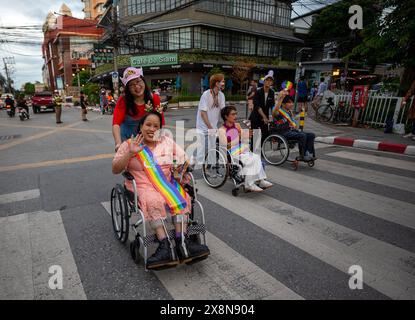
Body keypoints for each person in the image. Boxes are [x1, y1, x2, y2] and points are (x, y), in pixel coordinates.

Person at [112, 111, 210, 270]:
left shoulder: (167, 142)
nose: (152, 129)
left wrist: (181, 167)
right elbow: (115, 169)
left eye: (156, 126)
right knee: (154, 200)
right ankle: (165, 246)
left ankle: (182, 242)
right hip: (143, 185)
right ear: (141, 126)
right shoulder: (129, 144)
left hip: (166, 183)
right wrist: (130, 152)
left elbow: (183, 159)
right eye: (148, 125)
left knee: (183, 196)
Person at [219, 106, 273, 192]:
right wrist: (240, 137)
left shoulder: (237, 125)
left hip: (241, 149)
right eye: (233, 114)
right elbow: (226, 145)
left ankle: (261, 180)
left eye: (236, 114)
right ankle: (249, 184)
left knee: (256, 157)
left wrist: (247, 135)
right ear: (226, 116)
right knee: (250, 160)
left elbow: (243, 139)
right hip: (231, 153)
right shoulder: (222, 130)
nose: (235, 116)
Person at [112, 66, 165, 152]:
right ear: (128, 89)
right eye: (131, 85)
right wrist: (118, 143)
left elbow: (161, 122)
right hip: (127, 140)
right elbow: (116, 124)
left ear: (143, 81)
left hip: (147, 138)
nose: (136, 86)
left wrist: (160, 141)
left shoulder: (154, 98)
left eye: (138, 81)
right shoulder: (123, 100)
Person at [272, 95, 316, 161]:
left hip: (291, 131)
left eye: (292, 102)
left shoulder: (289, 112)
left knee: (311, 135)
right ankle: (302, 155)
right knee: (302, 135)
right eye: (289, 102)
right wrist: (280, 99)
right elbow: (275, 110)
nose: (291, 104)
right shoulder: (279, 112)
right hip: (283, 132)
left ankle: (309, 153)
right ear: (283, 104)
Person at [195, 73, 226, 165]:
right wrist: (209, 126)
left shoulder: (221, 95)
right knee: (202, 148)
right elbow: (203, 113)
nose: (224, 83)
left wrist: (227, 124)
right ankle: (201, 168)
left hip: (213, 125)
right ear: (217, 83)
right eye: (223, 81)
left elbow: (223, 111)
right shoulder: (206, 95)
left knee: (212, 147)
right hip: (202, 126)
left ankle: (212, 166)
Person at [249, 70, 275, 148]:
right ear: (264, 81)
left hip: (265, 116)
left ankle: (259, 149)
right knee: (255, 135)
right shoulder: (258, 91)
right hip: (256, 116)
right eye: (267, 80)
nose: (268, 82)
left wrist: (273, 116)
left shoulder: (272, 92)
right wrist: (264, 117)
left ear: (272, 83)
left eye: (270, 80)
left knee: (265, 134)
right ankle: (252, 152)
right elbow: (257, 106)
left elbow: (272, 106)